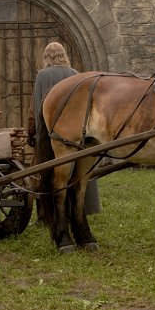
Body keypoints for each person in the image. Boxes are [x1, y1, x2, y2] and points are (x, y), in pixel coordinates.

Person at [27, 42, 101, 222]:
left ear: (47, 57)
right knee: (77, 171)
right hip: (76, 135)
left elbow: (37, 107)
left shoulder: (43, 76)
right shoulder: (76, 75)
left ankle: (46, 215)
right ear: (63, 55)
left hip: (53, 135)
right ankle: (78, 209)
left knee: (45, 170)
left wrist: (32, 132)